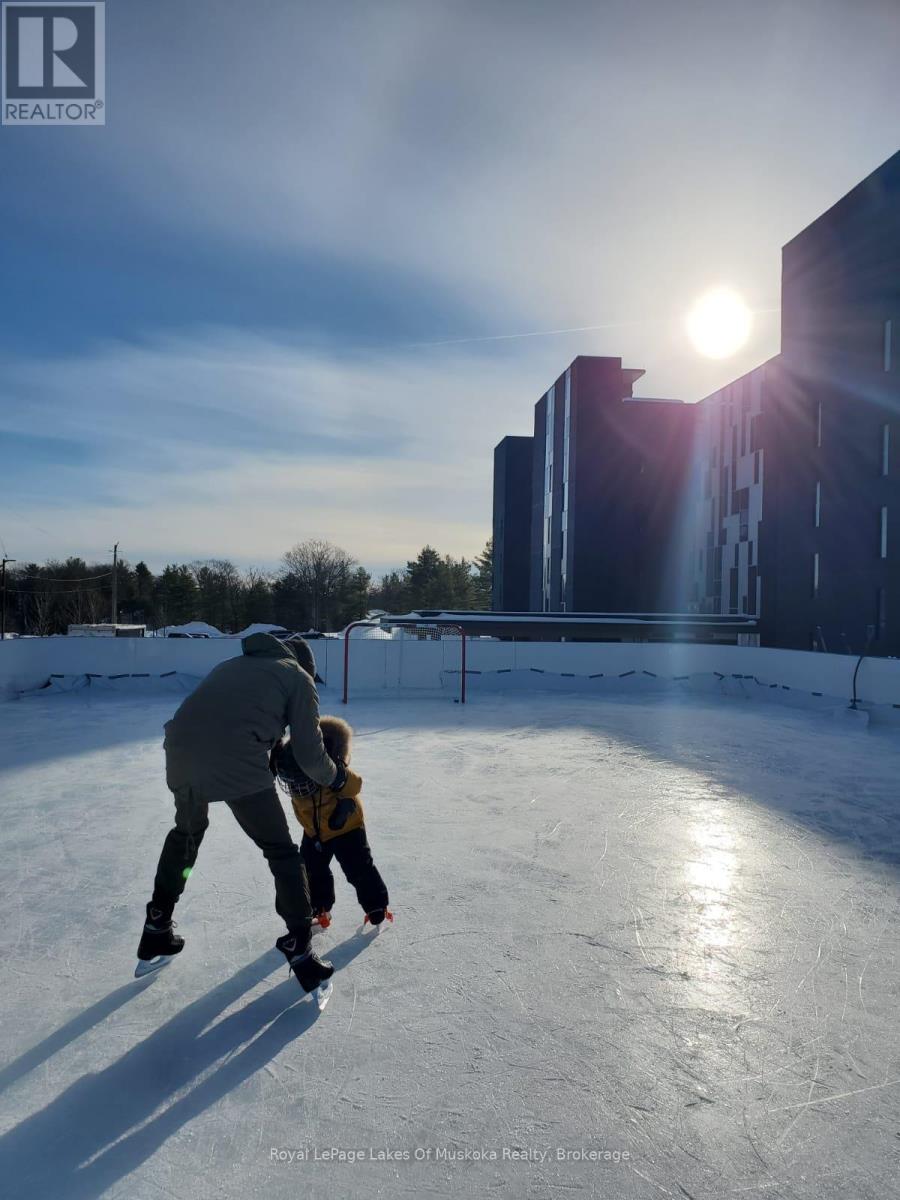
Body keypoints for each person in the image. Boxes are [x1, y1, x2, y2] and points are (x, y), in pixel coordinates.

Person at [136, 633, 360, 993]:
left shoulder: (233, 665)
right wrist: (338, 779)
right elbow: (310, 754)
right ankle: (300, 948)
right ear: (306, 667)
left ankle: (157, 925)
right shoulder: (297, 677)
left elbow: (232, 716)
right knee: (282, 852)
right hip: (234, 760)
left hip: (180, 753)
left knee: (187, 834)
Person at [272, 715, 390, 929]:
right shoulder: (295, 773)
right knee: (312, 871)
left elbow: (355, 784)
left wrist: (340, 776)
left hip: (347, 828)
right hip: (314, 832)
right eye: (291, 784)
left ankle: (376, 906)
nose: (296, 788)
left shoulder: (328, 770)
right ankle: (320, 907)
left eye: (298, 783)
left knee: (359, 869)